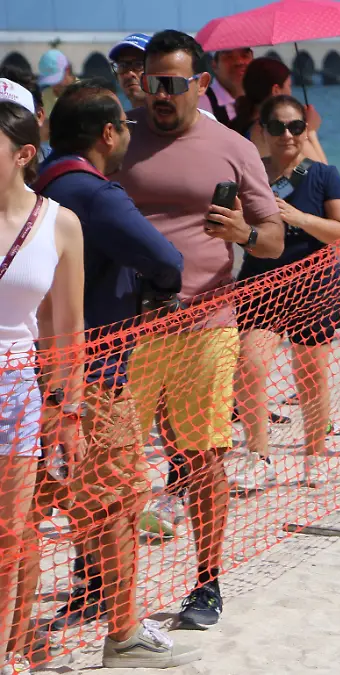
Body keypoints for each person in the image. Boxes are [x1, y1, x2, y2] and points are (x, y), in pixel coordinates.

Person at [114, 29, 284, 630]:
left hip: (205, 324)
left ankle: (206, 583)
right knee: (110, 463)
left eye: (170, 83)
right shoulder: (119, 137)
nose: (156, 93)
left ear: (201, 85)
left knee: (203, 457)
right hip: (124, 330)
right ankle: (102, 582)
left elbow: (273, 236)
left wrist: (241, 234)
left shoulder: (233, 146)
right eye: (148, 80)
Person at [33, 81, 200, 667]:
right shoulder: (93, 192)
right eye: (125, 127)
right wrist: (157, 289)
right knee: (119, 500)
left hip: (32, 371)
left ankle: (16, 633)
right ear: (108, 133)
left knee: (30, 512)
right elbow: (166, 259)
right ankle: (124, 630)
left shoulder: (40, 185)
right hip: (92, 372)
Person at [230, 94, 340, 493]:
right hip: (260, 286)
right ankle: (258, 455)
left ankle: (314, 455)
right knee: (249, 366)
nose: (288, 134)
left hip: (313, 285)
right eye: (278, 127)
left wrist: (298, 218)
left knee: (311, 375)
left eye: (296, 126)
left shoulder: (325, 175)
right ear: (262, 132)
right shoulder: (250, 175)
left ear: (305, 130)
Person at [0, 98, 84, 675]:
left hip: (18, 394)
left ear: (24, 155)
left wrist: (67, 411)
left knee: (10, 533)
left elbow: (67, 329)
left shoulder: (59, 222)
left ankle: (9, 646)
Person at [231, 58, 327, 163]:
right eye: (288, 86)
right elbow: (323, 174)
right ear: (276, 90)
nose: (291, 93)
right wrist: (310, 131)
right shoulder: (274, 129)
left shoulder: (242, 126)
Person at [202, 47, 253, 126]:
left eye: (244, 56)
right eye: (229, 57)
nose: (239, 62)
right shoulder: (201, 105)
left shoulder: (261, 101)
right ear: (214, 65)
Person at [108, 34, 152, 109]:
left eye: (138, 65)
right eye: (123, 66)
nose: (129, 73)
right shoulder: (119, 119)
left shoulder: (173, 118)